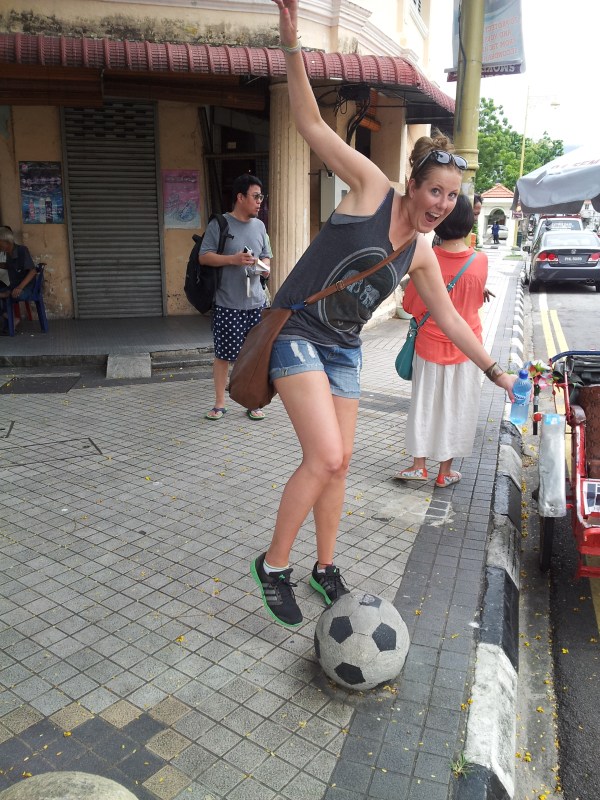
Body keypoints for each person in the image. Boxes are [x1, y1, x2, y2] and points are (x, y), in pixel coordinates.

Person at [250, 0, 516, 629]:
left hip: (341, 349)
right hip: (295, 331)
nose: (441, 205)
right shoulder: (369, 188)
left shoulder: (423, 250)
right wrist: (291, 45)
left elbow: (450, 319)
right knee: (328, 458)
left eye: (451, 198)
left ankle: (325, 567)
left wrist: (494, 370)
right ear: (412, 183)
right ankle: (274, 565)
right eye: (434, 191)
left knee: (338, 464)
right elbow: (312, 124)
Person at [395, 195, 489, 487]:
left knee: (424, 404)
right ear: (468, 223)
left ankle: (418, 465)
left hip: (429, 346)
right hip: (467, 348)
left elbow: (411, 305)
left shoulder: (426, 259)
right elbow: (474, 302)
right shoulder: (480, 260)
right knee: (457, 407)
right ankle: (444, 472)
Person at [199, 174, 272, 421]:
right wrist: (233, 260)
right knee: (223, 355)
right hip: (227, 302)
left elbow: (266, 256)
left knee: (255, 356)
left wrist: (262, 266)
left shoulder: (260, 226)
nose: (259, 201)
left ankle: (254, 401)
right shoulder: (220, 224)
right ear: (240, 197)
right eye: (255, 196)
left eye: (261, 196)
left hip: (256, 303)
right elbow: (204, 256)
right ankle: (220, 403)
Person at [0, 226, 37, 334]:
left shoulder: (22, 250)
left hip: (27, 287)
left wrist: (20, 287)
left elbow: (32, 271)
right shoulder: (8, 253)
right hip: (14, 285)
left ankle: (7, 295)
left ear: (7, 241)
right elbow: (10, 266)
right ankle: (12, 318)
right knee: (5, 293)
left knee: (14, 294)